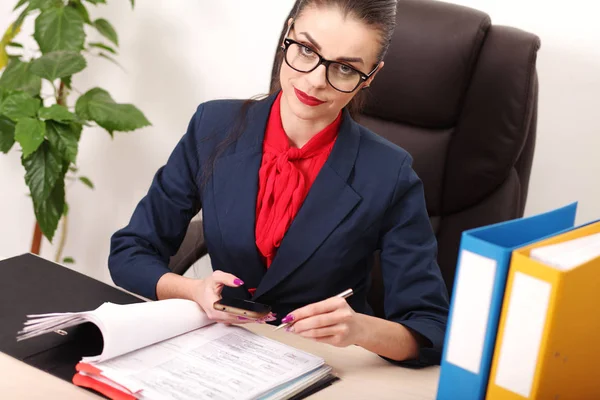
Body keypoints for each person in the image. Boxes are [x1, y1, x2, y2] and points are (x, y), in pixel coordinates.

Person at [109, 0, 449, 367]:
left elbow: (431, 329)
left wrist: (359, 329)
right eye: (306, 49)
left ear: (371, 75)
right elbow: (130, 252)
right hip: (215, 355)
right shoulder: (212, 127)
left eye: (346, 69)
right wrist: (194, 291)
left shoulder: (390, 172)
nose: (316, 80)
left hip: (324, 366)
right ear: (287, 34)